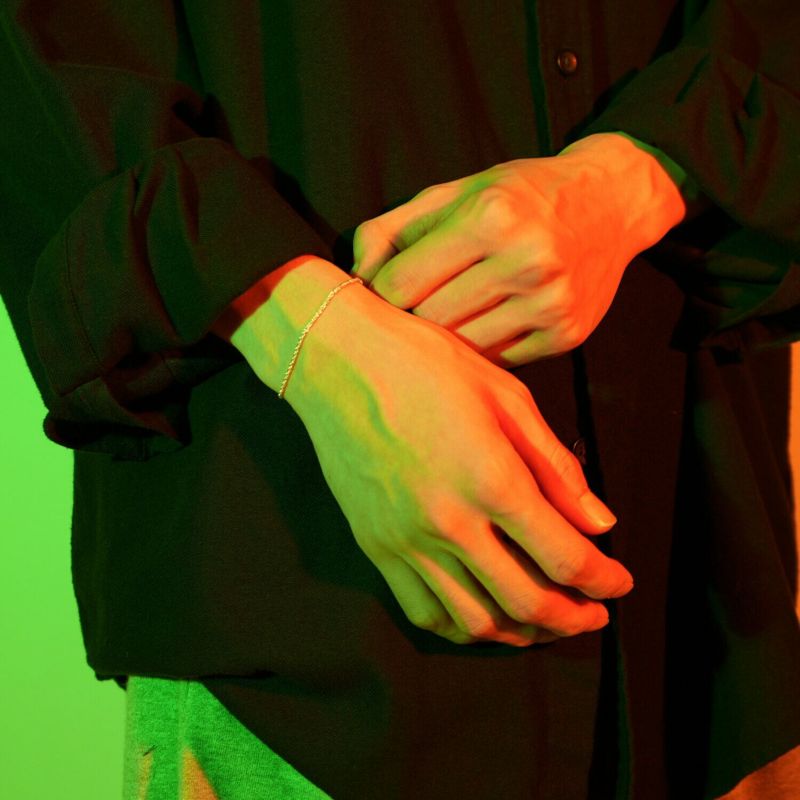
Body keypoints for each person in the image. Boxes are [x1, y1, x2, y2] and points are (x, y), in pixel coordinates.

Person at [1, 2, 799, 798]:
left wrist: (634, 178)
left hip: (709, 609)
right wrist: (314, 338)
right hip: (295, 660)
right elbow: (40, 67)